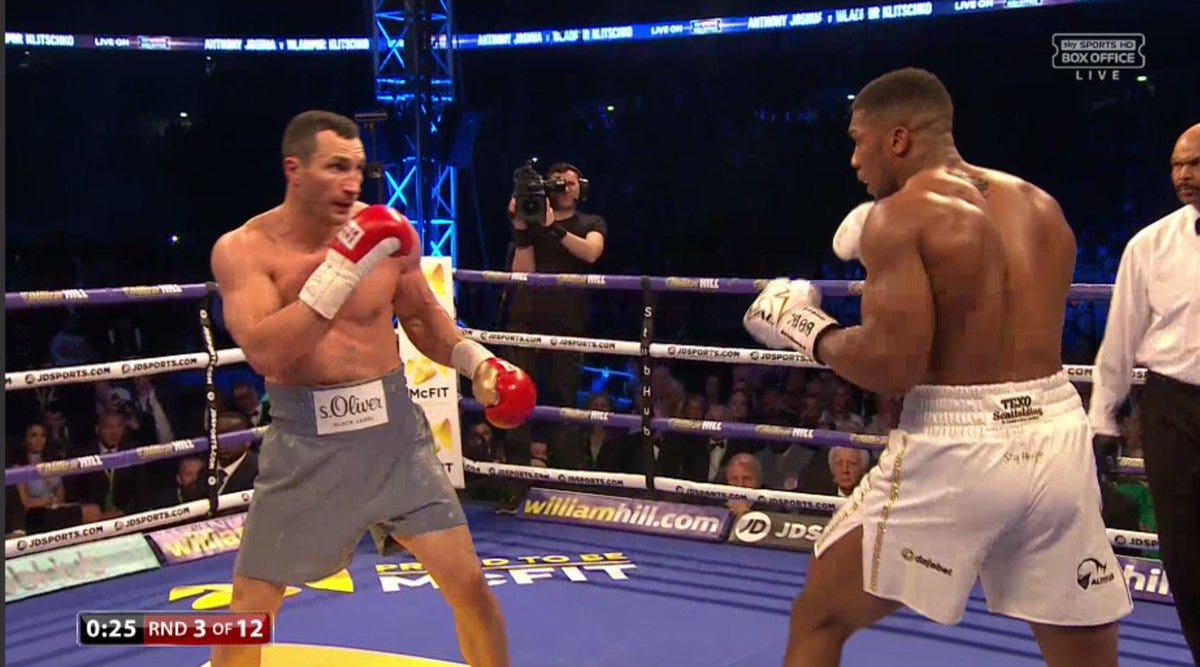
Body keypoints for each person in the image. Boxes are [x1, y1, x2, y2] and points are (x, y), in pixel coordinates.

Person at [743, 68, 1131, 666]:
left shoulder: (900, 216)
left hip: (959, 444)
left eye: (859, 141)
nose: (853, 160)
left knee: (820, 617)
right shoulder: (1041, 206)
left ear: (898, 139)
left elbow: (891, 367)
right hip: (1057, 432)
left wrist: (803, 328)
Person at [208, 110, 534, 667]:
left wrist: (476, 362)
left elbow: (423, 317)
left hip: (395, 439)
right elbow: (266, 352)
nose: (352, 182)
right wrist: (342, 270)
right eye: (336, 167)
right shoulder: (244, 250)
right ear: (294, 169)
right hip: (304, 446)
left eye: (358, 168)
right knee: (249, 611)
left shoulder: (391, 232)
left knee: (469, 586)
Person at [1088, 122, 1200, 662]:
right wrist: (1102, 416)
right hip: (1171, 406)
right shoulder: (1150, 244)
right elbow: (1121, 336)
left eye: (1195, 163)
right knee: (1183, 548)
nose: (1184, 174)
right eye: (1177, 164)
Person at [503, 162, 607, 468]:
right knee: (517, 397)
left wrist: (553, 228)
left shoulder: (591, 221)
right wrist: (521, 230)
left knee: (563, 402)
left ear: (580, 189)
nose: (563, 187)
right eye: (556, 183)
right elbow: (522, 275)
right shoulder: (532, 219)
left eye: (569, 183)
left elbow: (591, 252)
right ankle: (516, 476)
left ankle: (566, 475)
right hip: (526, 321)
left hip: (567, 324)